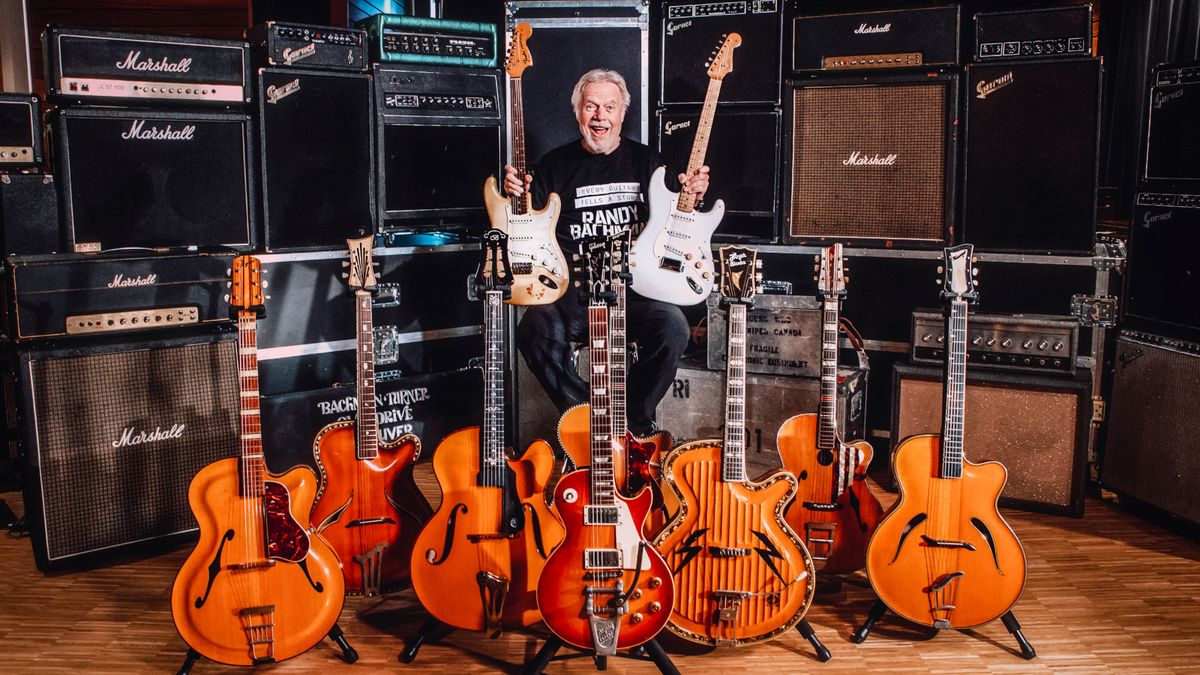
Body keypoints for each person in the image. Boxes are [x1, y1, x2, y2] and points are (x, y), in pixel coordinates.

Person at [504, 68, 711, 438]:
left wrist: (691, 200)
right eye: (591, 106)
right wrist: (515, 193)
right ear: (578, 112)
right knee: (533, 331)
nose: (600, 116)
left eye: (609, 107)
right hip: (574, 294)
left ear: (622, 114)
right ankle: (586, 418)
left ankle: (633, 421)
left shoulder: (649, 163)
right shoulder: (553, 165)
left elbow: (674, 223)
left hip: (633, 291)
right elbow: (527, 225)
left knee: (673, 327)